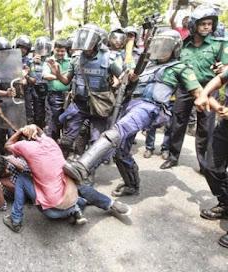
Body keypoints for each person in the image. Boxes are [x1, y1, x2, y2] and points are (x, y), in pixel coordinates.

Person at [62, 30, 204, 197]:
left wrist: (202, 99)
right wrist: (129, 77)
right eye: (158, 45)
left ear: (176, 49)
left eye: (166, 47)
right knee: (120, 149)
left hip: (149, 107)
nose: (161, 50)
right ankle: (132, 185)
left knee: (116, 131)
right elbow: (127, 80)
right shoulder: (146, 65)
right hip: (131, 105)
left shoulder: (180, 67)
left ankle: (83, 166)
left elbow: (198, 90)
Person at [2, 124, 131, 233]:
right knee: (70, 179)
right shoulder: (50, 142)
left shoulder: (25, 147)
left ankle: (16, 220)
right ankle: (106, 204)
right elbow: (41, 134)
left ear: (24, 140)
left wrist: (20, 130)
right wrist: (34, 127)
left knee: (23, 177)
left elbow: (8, 144)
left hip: (52, 212)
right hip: (71, 199)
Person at [160, 5, 228, 172]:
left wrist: (222, 69)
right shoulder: (183, 45)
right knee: (177, 123)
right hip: (184, 89)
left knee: (205, 128)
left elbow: (226, 68)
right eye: (202, 23)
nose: (206, 26)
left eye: (209, 23)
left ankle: (203, 163)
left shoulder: (219, 45)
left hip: (207, 90)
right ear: (193, 25)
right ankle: (173, 156)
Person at [48, 23, 123, 158]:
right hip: (79, 104)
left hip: (100, 106)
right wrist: (58, 74)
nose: (86, 48)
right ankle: (60, 168)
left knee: (97, 142)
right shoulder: (76, 58)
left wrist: (115, 83)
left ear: (98, 42)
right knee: (67, 139)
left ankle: (90, 173)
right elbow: (66, 80)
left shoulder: (109, 58)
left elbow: (122, 77)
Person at [194, 67, 228, 248]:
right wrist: (204, 94)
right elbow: (221, 79)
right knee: (212, 168)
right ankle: (225, 204)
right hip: (225, 126)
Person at [43, 38, 71, 141]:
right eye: (57, 50)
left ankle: (65, 145)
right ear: (53, 50)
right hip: (55, 96)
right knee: (53, 122)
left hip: (69, 96)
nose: (60, 53)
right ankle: (52, 144)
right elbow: (46, 75)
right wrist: (59, 76)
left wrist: (57, 74)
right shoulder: (49, 61)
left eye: (62, 51)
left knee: (68, 122)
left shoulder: (70, 61)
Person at [15, 34, 37, 124]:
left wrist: (26, 75)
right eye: (21, 47)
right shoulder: (11, 59)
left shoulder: (29, 62)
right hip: (13, 91)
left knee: (28, 116)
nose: (22, 50)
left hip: (26, 92)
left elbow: (33, 80)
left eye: (25, 48)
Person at [32, 36, 52, 129]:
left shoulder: (52, 59)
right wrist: (32, 62)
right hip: (36, 89)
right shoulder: (32, 60)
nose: (43, 50)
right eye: (40, 47)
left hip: (49, 89)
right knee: (38, 114)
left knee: (50, 113)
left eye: (45, 47)